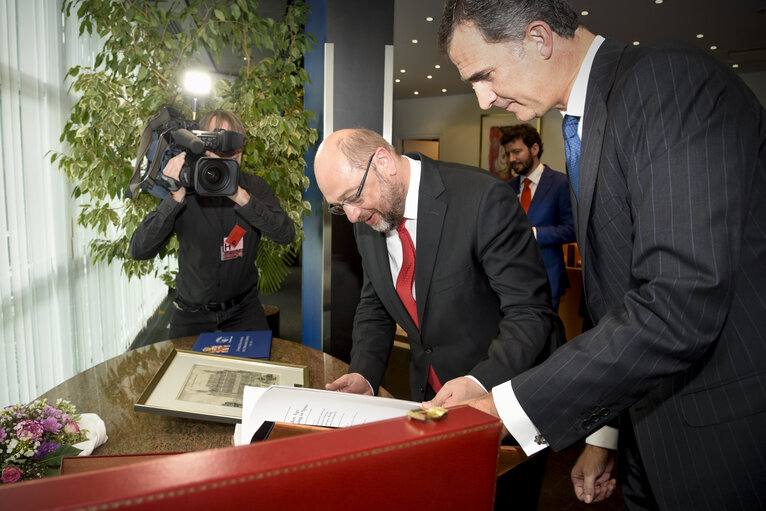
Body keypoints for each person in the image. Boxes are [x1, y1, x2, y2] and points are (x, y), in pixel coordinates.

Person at [432, 1, 766, 510]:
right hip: (649, 426)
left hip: (723, 434)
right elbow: (618, 299)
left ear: (540, 39)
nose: (483, 100)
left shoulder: (666, 81)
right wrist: (605, 435)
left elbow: (678, 302)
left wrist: (502, 407)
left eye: (485, 75)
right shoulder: (586, 118)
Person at [314, 128, 561, 510]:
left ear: (383, 162)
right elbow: (375, 304)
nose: (351, 215)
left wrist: (480, 382)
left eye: (352, 197)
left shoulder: (482, 198)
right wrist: (364, 372)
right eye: (337, 206)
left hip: (504, 396)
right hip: (430, 399)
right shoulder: (369, 220)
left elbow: (530, 312)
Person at [130, 110, 295, 338]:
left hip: (244, 312)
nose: (227, 150)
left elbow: (285, 233)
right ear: (200, 145)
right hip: (191, 317)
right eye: (218, 141)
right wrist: (175, 197)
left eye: (234, 142)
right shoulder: (185, 188)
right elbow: (140, 249)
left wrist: (239, 195)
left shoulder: (253, 187)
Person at [502, 124, 574, 310]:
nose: (512, 159)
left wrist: (534, 234)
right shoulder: (506, 188)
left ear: (534, 149)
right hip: (511, 281)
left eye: (517, 152)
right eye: (508, 153)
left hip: (547, 279)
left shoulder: (560, 183)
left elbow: (571, 229)